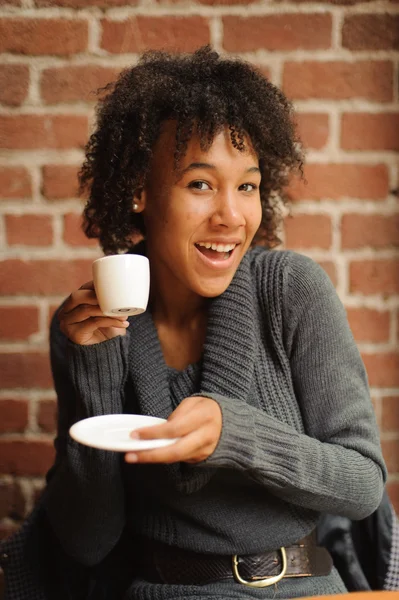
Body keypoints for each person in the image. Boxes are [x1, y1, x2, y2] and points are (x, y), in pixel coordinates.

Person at [0, 46, 387, 600]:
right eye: (200, 184)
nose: (231, 216)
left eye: (247, 186)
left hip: (304, 591)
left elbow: (363, 484)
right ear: (140, 190)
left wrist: (237, 435)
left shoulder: (289, 291)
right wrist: (94, 376)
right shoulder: (90, 332)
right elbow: (87, 540)